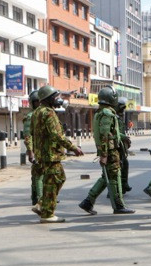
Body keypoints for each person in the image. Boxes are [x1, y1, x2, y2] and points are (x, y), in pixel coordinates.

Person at [30, 85, 84, 223]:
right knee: (54, 181)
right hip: (50, 154)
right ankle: (47, 214)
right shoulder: (48, 112)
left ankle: (42, 205)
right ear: (48, 99)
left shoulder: (37, 112)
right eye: (55, 97)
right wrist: (73, 147)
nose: (58, 99)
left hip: (42, 153)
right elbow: (56, 135)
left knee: (56, 179)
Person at [79, 86, 134, 215]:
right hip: (110, 151)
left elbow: (110, 133)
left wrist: (123, 138)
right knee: (114, 177)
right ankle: (119, 206)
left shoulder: (100, 112)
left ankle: (88, 201)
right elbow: (104, 135)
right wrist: (104, 154)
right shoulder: (107, 114)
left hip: (108, 150)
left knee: (107, 177)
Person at [24, 89, 45, 213]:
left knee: (37, 173)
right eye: (36, 102)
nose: (39, 104)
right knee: (39, 174)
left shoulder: (41, 114)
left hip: (43, 147)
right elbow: (28, 135)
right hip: (36, 148)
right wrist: (30, 151)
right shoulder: (31, 116)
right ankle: (40, 198)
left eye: (40, 102)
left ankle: (35, 197)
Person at [115, 96, 132, 193]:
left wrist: (125, 141)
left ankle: (124, 184)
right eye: (121, 108)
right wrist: (124, 137)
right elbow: (114, 132)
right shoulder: (113, 117)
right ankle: (114, 190)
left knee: (125, 163)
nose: (123, 110)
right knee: (116, 168)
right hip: (115, 146)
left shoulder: (119, 117)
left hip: (120, 145)